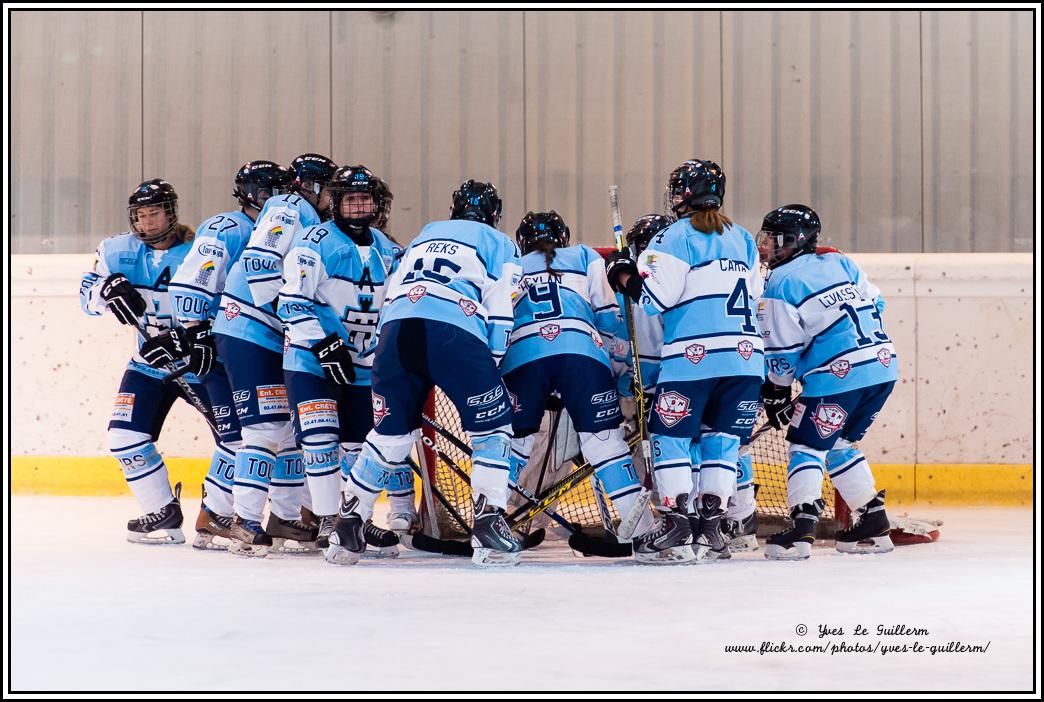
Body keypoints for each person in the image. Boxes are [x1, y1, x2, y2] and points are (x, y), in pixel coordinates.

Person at [327, 180, 522, 567]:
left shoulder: (424, 234)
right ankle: (489, 527)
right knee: (492, 428)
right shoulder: (499, 243)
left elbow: (391, 290)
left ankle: (347, 526)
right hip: (454, 330)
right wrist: (491, 365)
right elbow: (500, 309)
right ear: (494, 214)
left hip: (396, 332)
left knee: (390, 435)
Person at [606, 159, 764, 564]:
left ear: (682, 196)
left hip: (695, 358)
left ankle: (677, 524)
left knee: (671, 438)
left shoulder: (673, 237)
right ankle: (712, 530)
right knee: (722, 441)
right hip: (747, 360)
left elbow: (655, 299)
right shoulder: (743, 237)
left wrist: (623, 275)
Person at [135, 160, 289, 550]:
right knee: (239, 436)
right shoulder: (229, 227)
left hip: (251, 344)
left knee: (256, 432)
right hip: (221, 345)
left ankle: (222, 513)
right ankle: (215, 515)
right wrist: (196, 333)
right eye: (276, 189)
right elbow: (192, 282)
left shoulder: (273, 229)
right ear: (255, 193)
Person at [277, 165, 411, 560]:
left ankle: (354, 516)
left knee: (359, 446)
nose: (358, 206)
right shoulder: (313, 241)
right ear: (335, 203)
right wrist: (321, 344)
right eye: (350, 199)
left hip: (364, 365)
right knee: (320, 441)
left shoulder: (390, 250)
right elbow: (291, 301)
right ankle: (327, 519)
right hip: (309, 360)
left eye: (365, 199)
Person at [500, 211, 653, 547]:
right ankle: (644, 531)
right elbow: (610, 321)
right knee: (604, 444)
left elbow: (499, 320)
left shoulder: (511, 264)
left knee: (515, 443)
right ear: (563, 236)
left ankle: (489, 528)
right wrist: (620, 375)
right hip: (582, 355)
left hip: (524, 357)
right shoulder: (585, 256)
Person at [212, 153, 338, 555]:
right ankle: (244, 521)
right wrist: (285, 307)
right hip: (250, 328)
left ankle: (282, 517)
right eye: (330, 189)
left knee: (285, 431)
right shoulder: (289, 206)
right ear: (315, 186)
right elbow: (260, 262)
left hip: (264, 332)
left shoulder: (305, 215)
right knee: (264, 431)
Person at [756, 204, 898, 559]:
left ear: (795, 241)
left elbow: (783, 350)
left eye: (773, 240)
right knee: (839, 443)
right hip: (882, 367)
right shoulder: (839, 262)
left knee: (806, 445)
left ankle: (801, 532)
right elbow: (876, 302)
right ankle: (873, 521)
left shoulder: (781, 282)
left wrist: (776, 389)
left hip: (838, 378)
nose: (765, 247)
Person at [79, 179, 213, 544]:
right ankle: (162, 513)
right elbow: (86, 296)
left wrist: (186, 338)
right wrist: (104, 292)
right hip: (147, 366)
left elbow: (224, 307)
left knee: (236, 439)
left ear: (171, 213)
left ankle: (221, 511)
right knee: (124, 437)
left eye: (155, 213)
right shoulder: (116, 250)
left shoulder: (200, 251)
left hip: (201, 366)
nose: (148, 223)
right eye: (140, 215)